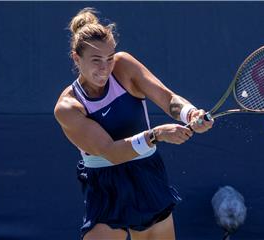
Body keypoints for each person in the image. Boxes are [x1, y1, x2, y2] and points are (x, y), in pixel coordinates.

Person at [54, 7, 213, 240]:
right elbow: (111, 152)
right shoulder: (68, 108)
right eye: (96, 60)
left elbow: (168, 99)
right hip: (105, 187)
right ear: (76, 59)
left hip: (147, 175)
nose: (105, 68)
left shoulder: (124, 66)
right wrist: (156, 135)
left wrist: (189, 114)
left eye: (109, 58)